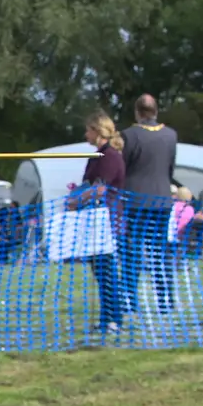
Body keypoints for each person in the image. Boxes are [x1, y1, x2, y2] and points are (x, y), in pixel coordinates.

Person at [67, 111, 125, 333]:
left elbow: (101, 188)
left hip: (106, 221)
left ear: (97, 131)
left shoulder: (109, 156)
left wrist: (77, 200)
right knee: (100, 273)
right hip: (93, 221)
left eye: (88, 129)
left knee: (107, 272)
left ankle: (114, 319)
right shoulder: (97, 156)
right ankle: (105, 318)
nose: (85, 133)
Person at [119, 95, 178, 313]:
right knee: (159, 252)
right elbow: (170, 168)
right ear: (156, 111)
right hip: (162, 199)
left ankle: (131, 301)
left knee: (131, 252)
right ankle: (165, 301)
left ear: (137, 112)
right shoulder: (171, 135)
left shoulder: (129, 135)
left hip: (135, 200)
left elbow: (122, 168)